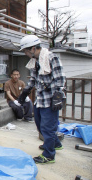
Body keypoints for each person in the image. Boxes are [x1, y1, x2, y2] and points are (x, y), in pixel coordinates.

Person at [18, 35, 66, 164]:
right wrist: (25, 92)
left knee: (47, 128)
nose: (25, 53)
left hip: (51, 100)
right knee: (39, 124)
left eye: (26, 51)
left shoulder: (51, 57)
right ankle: (55, 143)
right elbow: (33, 79)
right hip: (40, 99)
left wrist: (57, 96)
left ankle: (49, 155)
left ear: (33, 48)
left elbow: (59, 79)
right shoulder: (35, 61)